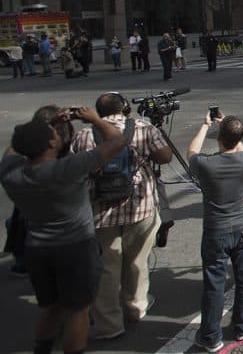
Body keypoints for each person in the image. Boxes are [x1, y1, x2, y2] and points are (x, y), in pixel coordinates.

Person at [1, 108, 129, 354]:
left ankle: (43, 349)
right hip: (76, 249)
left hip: (37, 249)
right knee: (78, 311)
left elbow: (15, 147)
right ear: (51, 142)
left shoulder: (11, 173)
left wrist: (37, 127)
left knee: (51, 308)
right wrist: (93, 118)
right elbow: (119, 140)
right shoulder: (68, 168)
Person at [71, 92, 173, 340]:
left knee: (106, 267)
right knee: (137, 261)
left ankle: (108, 324)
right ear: (126, 108)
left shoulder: (84, 135)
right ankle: (136, 307)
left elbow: (74, 170)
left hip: (99, 212)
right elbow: (165, 157)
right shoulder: (143, 127)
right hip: (140, 209)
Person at [187, 112, 243, 352]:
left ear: (219, 137)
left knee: (214, 283)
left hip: (217, 230)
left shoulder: (207, 164)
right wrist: (232, 127)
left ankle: (210, 335)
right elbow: (239, 146)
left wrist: (205, 126)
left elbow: (192, 153)